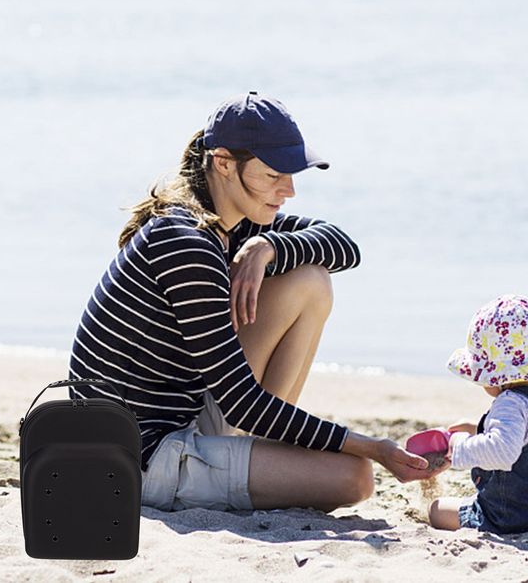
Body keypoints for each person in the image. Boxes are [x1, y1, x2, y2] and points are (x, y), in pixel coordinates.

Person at [68, 91, 430, 513]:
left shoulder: (235, 222)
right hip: (139, 456)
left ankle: (260, 454)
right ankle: (258, 459)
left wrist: (268, 247)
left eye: (293, 174)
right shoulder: (186, 243)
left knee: (310, 279)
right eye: (275, 174)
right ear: (223, 163)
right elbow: (242, 402)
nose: (289, 190)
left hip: (185, 414)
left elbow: (345, 247)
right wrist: (374, 447)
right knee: (355, 477)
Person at [429, 294, 528, 536]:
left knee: (437, 509)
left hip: (517, 518)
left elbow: (502, 452)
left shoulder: (510, 403)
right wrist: (478, 428)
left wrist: (457, 446)